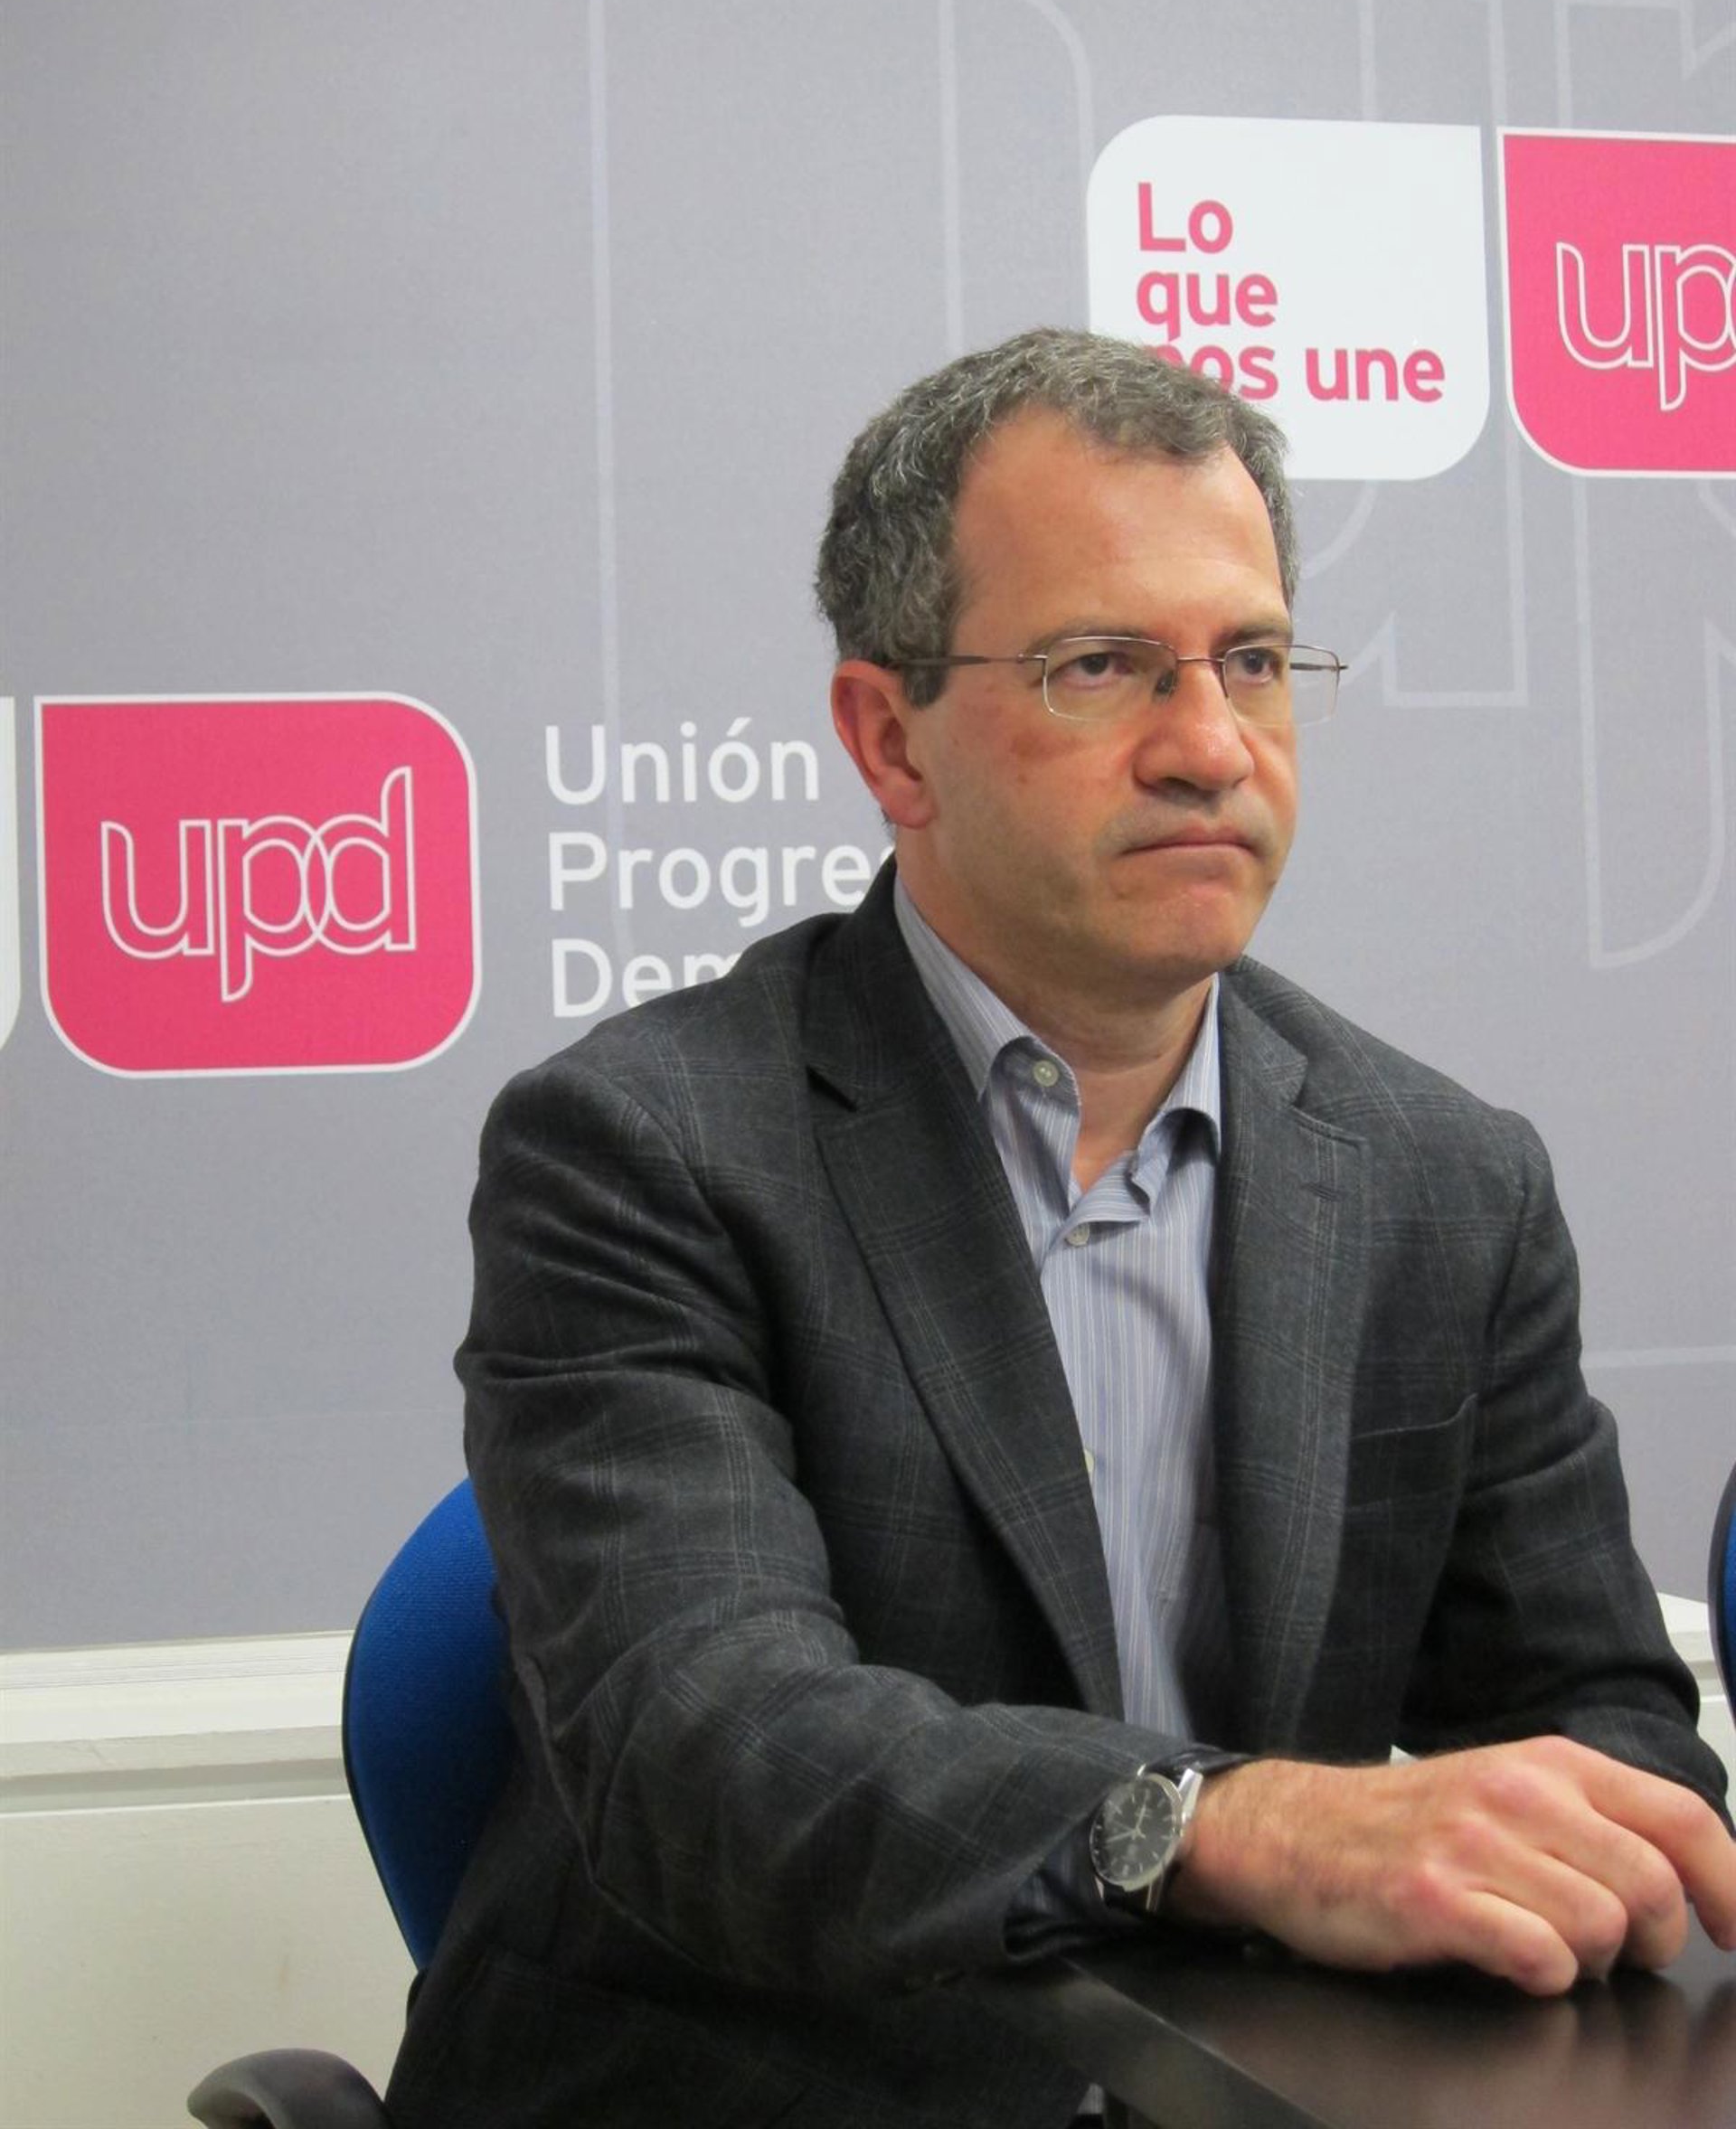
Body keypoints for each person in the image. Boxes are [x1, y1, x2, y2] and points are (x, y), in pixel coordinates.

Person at [388, 330, 1736, 2129]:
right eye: (1102, 666)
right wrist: (1226, 1827)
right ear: (892, 739)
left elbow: (1608, 1730)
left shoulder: (1445, 1180)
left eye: (1251, 660)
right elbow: (713, 1750)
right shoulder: (646, 1147)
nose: (1210, 746)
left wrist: (1571, 1852)